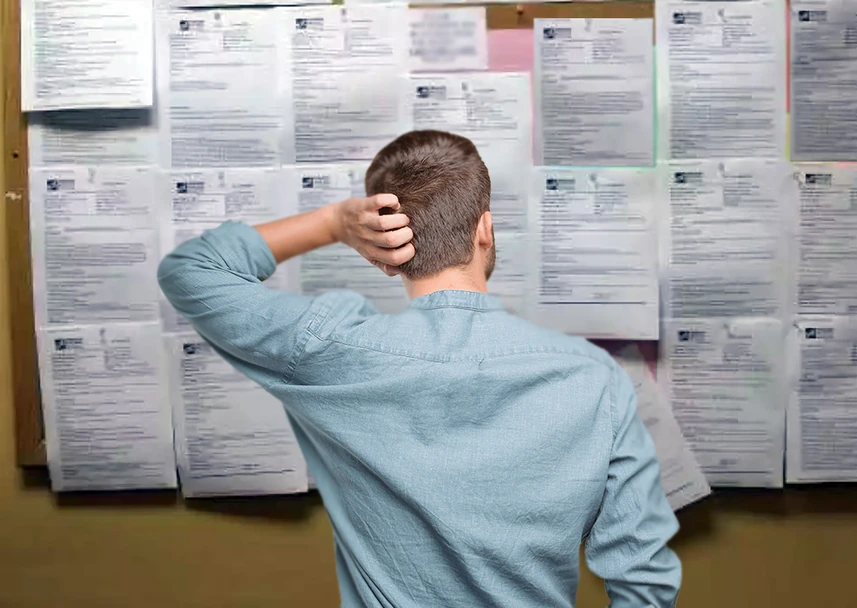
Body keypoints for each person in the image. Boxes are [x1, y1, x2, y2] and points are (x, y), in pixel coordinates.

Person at [158, 130, 681, 607]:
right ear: (485, 230)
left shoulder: (328, 349)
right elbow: (645, 583)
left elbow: (190, 269)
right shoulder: (596, 379)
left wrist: (334, 222)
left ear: (385, 254)